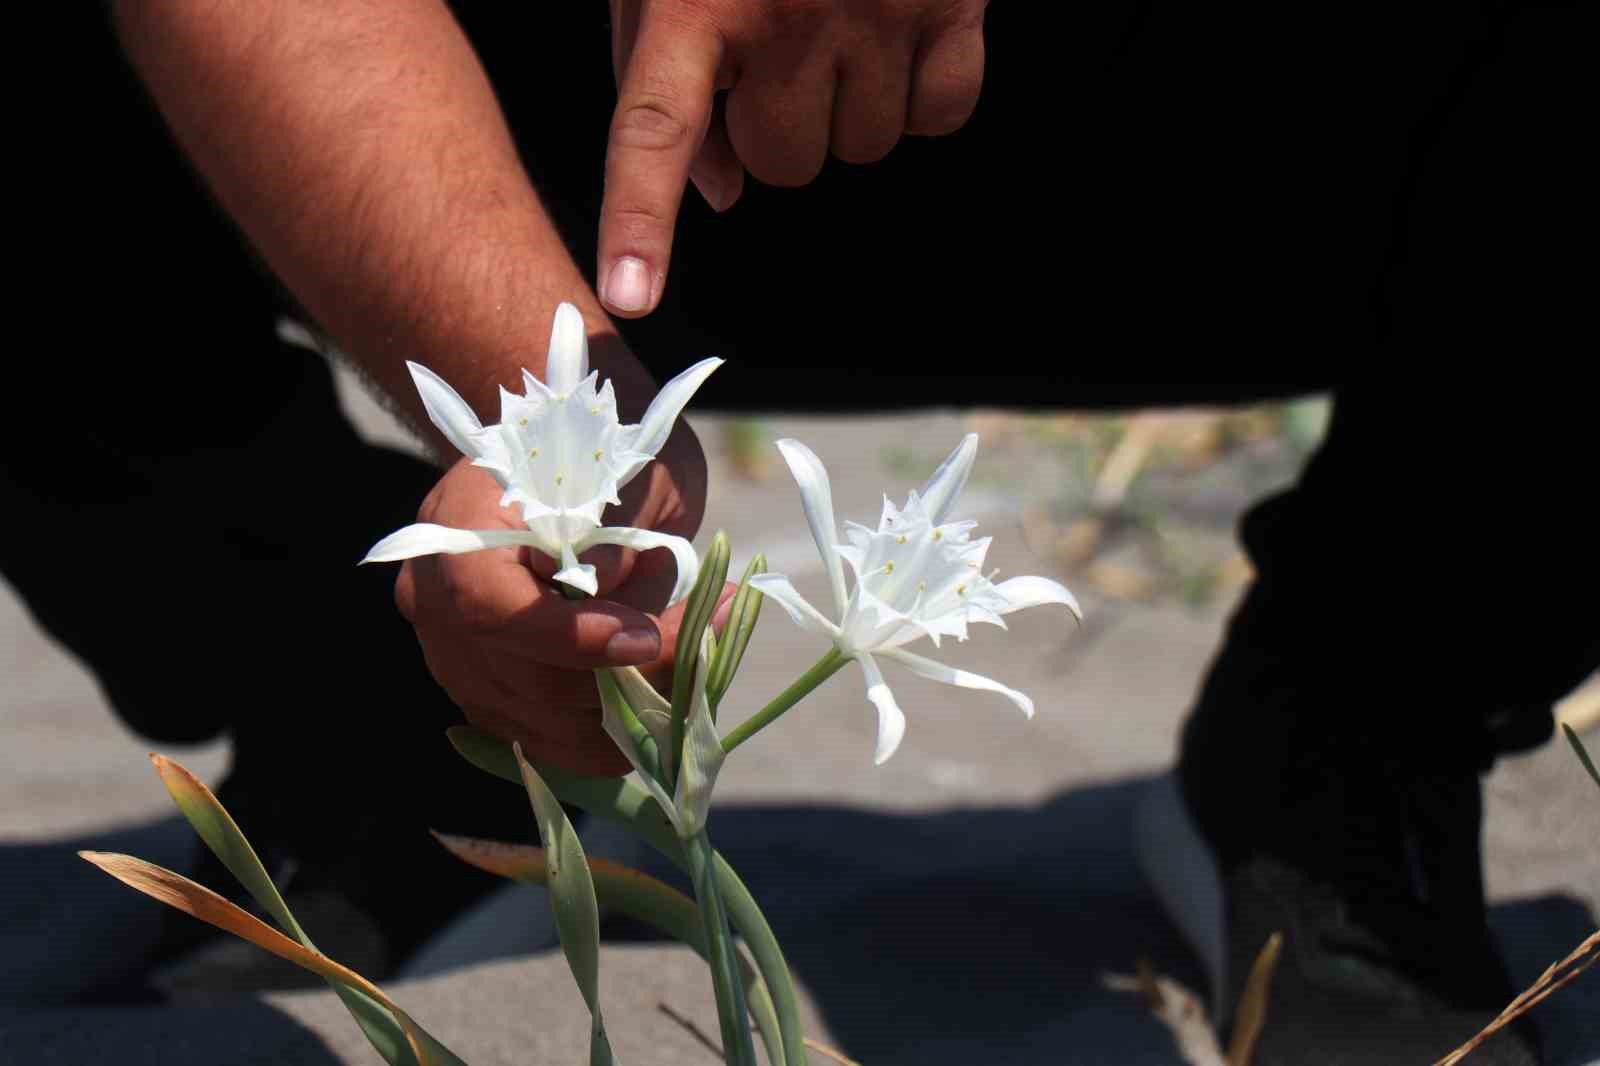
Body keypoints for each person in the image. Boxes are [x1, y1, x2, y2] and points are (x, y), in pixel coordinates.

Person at [9, 1, 1592, 1060]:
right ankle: (382, 730)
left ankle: (1353, 736)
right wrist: (557, 420)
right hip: (580, 142)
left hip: (1242, 126)